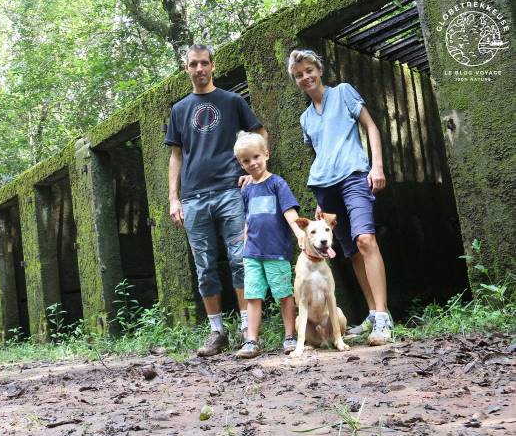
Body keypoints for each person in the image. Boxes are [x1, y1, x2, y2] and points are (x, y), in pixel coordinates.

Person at [165, 44, 269, 356]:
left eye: (204, 63)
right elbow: (175, 155)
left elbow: (259, 132)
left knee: (240, 260)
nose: (199, 69)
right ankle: (216, 331)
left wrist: (258, 172)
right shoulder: (179, 109)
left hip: (230, 192)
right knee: (205, 267)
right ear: (186, 69)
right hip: (194, 198)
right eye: (193, 64)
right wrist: (173, 198)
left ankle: (245, 329)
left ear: (213, 66)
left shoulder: (232, 101)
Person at [287, 49, 392, 346]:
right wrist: (321, 203)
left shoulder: (343, 92)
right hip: (325, 188)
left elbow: (370, 127)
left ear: (319, 70)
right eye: (298, 75)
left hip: (355, 176)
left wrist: (377, 165)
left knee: (365, 240)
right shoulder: (306, 118)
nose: (305, 77)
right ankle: (372, 313)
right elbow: (321, 153)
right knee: (350, 251)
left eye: (309, 70)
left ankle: (383, 319)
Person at [232, 131, 305, 359]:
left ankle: (290, 336)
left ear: (266, 154)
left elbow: (289, 212)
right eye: (246, 160)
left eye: (256, 157)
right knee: (253, 295)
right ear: (240, 163)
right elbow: (247, 219)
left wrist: (299, 234)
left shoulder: (277, 184)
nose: (252, 163)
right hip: (252, 253)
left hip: (276, 252)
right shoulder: (247, 189)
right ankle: (252, 340)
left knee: (284, 294)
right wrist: (244, 246)